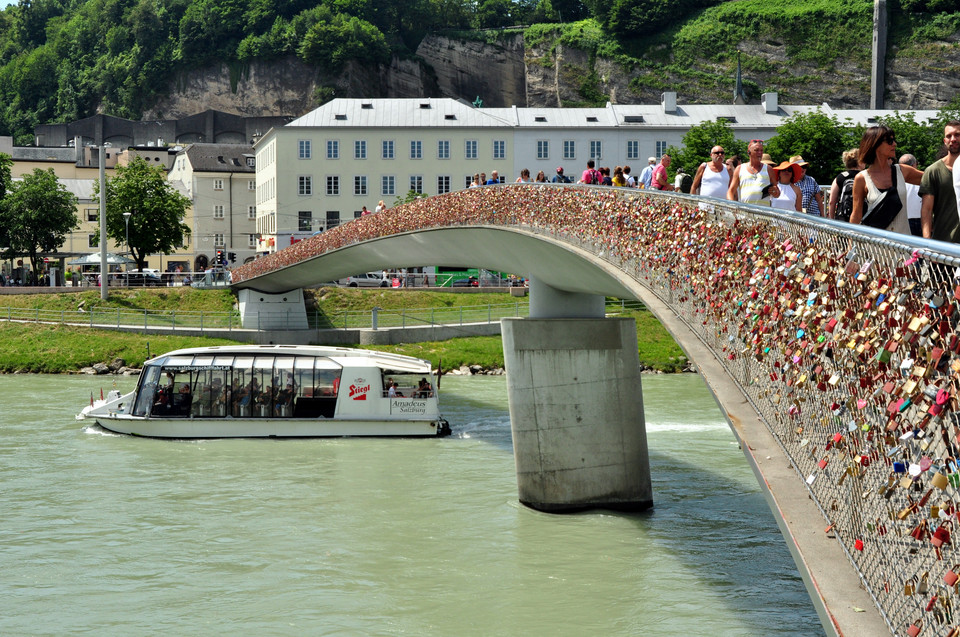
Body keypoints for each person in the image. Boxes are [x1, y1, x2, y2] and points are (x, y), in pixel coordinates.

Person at [850, 126, 923, 234]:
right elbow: (856, 215)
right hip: (875, 246)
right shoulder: (862, 178)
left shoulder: (902, 171)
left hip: (902, 246)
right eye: (889, 141)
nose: (894, 144)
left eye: (894, 140)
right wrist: (851, 245)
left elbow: (934, 180)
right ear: (875, 144)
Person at [921, 120, 960, 242]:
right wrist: (927, 244)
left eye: (957, 134)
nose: (953, 139)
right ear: (945, 141)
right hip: (944, 244)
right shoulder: (933, 171)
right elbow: (927, 210)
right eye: (949, 136)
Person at [727, 139, 779, 205]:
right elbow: (731, 191)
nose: (760, 153)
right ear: (749, 152)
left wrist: (775, 191)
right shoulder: (740, 168)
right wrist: (732, 205)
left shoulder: (768, 169)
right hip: (745, 212)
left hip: (763, 212)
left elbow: (777, 193)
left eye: (761, 150)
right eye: (756, 150)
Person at [827, 148, 861, 221]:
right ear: (859, 162)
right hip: (861, 219)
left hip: (843, 219)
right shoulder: (865, 177)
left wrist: (831, 219)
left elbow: (832, 201)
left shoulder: (840, 177)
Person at [899, 154, 923, 236]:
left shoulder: (896, 182)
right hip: (922, 220)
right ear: (914, 165)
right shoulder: (922, 179)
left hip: (903, 221)